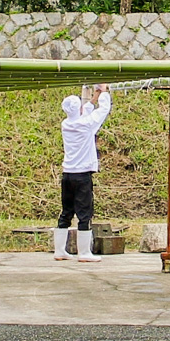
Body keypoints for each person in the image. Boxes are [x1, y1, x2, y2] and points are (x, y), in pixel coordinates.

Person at [54, 83, 112, 262]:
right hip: (82, 175)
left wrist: (93, 97)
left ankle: (59, 251)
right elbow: (104, 110)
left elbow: (85, 112)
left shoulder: (67, 124)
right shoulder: (86, 124)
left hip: (68, 174)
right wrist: (104, 93)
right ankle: (84, 252)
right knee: (84, 213)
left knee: (66, 212)